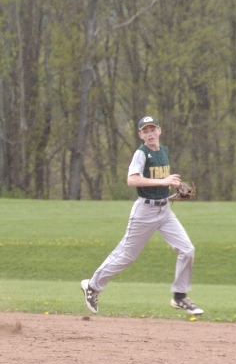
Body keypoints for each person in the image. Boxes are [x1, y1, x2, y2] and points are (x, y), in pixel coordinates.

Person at [80, 115, 203, 316]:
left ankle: (180, 296)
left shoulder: (163, 151)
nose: (150, 133)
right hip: (144, 212)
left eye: (152, 129)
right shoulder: (141, 154)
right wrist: (164, 182)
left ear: (159, 131)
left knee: (187, 249)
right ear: (140, 135)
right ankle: (92, 286)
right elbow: (132, 180)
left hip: (164, 211)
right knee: (127, 256)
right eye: (145, 131)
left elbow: (158, 181)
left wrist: (172, 191)